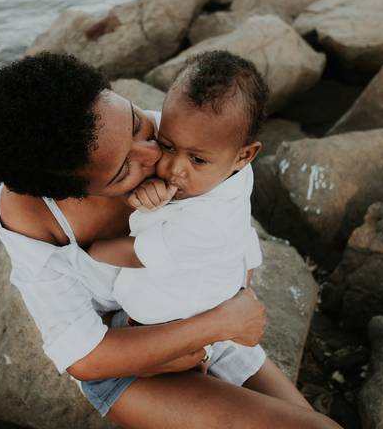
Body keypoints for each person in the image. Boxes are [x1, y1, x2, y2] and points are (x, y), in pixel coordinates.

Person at [0, 52, 341, 428]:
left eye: (135, 123)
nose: (155, 157)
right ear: (75, 191)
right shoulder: (31, 217)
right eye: (123, 170)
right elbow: (83, 356)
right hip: (130, 357)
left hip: (196, 310)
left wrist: (233, 294)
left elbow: (232, 221)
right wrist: (219, 323)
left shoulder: (182, 137)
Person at [86, 51, 269, 387]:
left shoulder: (206, 224)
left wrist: (92, 245)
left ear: (245, 155)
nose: (173, 169)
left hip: (167, 323)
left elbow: (125, 253)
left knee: (164, 364)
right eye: (167, 146)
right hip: (216, 291)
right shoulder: (231, 168)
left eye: (197, 159)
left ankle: (195, 362)